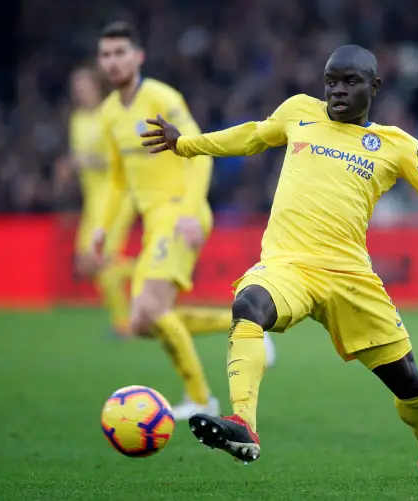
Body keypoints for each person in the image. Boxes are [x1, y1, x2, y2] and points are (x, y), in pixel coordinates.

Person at [141, 45, 418, 478]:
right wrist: (185, 144)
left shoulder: (397, 144)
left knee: (408, 380)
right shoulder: (298, 112)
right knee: (248, 304)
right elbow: (250, 135)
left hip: (350, 277)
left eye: (350, 82)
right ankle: (243, 424)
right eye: (331, 82)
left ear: (374, 87)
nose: (337, 91)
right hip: (289, 265)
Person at [93, 21, 276, 420]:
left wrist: (191, 211)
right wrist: (103, 226)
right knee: (142, 322)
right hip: (154, 222)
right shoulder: (108, 114)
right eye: (105, 54)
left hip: (179, 213)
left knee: (150, 308)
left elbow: (198, 152)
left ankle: (200, 398)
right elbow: (118, 179)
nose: (112, 61)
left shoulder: (161, 98)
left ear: (138, 57)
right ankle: (246, 325)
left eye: (120, 52)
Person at [69, 66, 137, 338]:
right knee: (86, 264)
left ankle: (124, 323)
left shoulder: (111, 114)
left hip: (115, 196)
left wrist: (88, 161)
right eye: (76, 88)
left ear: (97, 87)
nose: (80, 92)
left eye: (84, 86)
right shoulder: (76, 119)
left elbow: (123, 158)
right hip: (93, 199)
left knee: (102, 261)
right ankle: (154, 271)